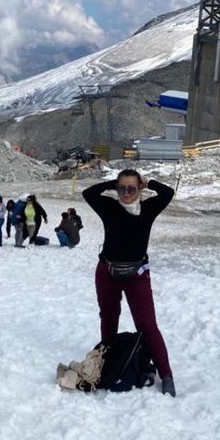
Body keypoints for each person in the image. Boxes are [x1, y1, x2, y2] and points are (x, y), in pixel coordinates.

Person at [82, 169, 176, 397]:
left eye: (131, 188)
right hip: (107, 271)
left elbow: (167, 193)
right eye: (121, 188)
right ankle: (109, 360)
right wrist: (110, 184)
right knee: (109, 317)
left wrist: (149, 181)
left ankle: (166, 375)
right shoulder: (109, 207)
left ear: (139, 188)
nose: (125, 193)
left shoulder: (149, 208)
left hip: (137, 276)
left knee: (147, 326)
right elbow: (88, 193)